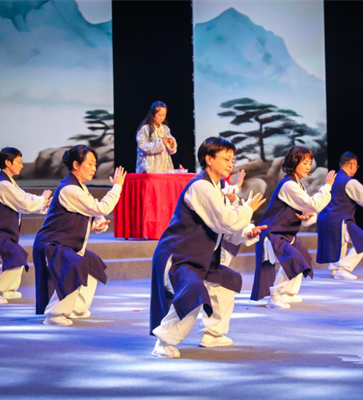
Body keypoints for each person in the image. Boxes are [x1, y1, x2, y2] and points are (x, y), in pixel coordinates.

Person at [150, 137, 266, 359]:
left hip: (198, 260)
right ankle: (164, 342)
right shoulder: (201, 186)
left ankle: (212, 334)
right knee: (193, 290)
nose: (231, 164)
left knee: (225, 281)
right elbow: (225, 221)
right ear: (209, 159)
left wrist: (246, 232)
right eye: (226, 158)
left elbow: (225, 228)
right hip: (178, 257)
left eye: (232, 159)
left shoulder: (217, 188)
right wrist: (248, 210)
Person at [33, 145, 127, 326]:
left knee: (91, 263)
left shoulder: (79, 187)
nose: (94, 168)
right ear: (76, 165)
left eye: (95, 164)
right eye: (90, 164)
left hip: (65, 244)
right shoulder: (69, 189)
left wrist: (97, 222)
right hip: (52, 244)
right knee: (75, 265)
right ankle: (55, 314)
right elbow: (101, 207)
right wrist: (117, 186)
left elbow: (91, 209)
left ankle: (77, 308)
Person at [250, 146, 336, 309]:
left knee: (302, 257)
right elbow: (313, 204)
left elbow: (308, 211)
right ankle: (275, 296)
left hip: (286, 233)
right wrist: (327, 186)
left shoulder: (298, 185)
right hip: (273, 232)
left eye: (309, 162)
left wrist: (308, 217)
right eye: (304, 162)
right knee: (295, 260)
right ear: (294, 162)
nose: (308, 166)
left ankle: (287, 293)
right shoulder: (289, 185)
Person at [0, 147, 52, 304]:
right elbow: (24, 203)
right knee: (15, 258)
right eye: (19, 162)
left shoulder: (9, 183)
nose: (22, 165)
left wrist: (43, 204)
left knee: (16, 257)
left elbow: (24, 198)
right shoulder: (2, 184)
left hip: (3, 231)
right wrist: (42, 199)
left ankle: (8, 289)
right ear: (7, 162)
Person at [317, 152, 363, 280]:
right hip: (339, 219)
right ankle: (343, 268)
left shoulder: (333, 180)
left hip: (326, 218)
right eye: (356, 166)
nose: (356, 169)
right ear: (352, 164)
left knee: (340, 243)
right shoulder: (349, 182)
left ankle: (335, 268)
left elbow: (354, 195)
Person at [136, 101, 177, 173]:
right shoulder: (145, 129)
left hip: (165, 168)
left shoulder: (165, 129)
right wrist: (161, 143)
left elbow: (171, 151)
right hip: (149, 168)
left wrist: (171, 143)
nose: (162, 118)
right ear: (153, 114)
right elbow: (143, 147)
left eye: (164, 115)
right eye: (160, 115)